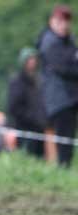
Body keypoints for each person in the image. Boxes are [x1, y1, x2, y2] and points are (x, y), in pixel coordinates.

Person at [37, 4, 78, 166]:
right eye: (61, 21)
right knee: (64, 140)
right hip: (60, 99)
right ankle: (63, 169)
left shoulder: (67, 41)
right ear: (52, 21)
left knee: (67, 138)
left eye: (67, 21)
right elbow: (65, 68)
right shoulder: (50, 43)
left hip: (69, 97)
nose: (64, 25)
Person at [7, 48, 48, 158]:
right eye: (29, 59)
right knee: (26, 156)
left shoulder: (39, 80)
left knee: (41, 158)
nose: (32, 62)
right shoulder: (17, 82)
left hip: (40, 128)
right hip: (24, 128)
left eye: (34, 59)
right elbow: (14, 107)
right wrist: (32, 118)